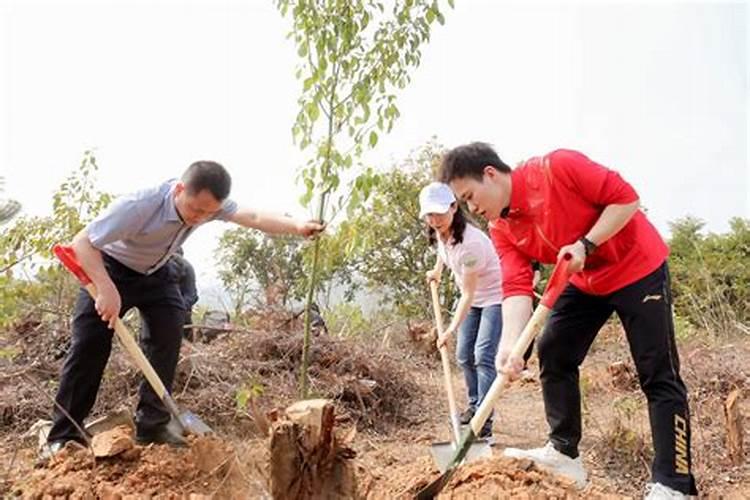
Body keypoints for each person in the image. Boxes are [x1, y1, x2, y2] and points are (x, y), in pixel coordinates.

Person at [439, 143, 697, 499]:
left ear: (490, 174)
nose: (472, 208)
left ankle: (674, 483)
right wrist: (510, 346)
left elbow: (626, 198)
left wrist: (586, 244)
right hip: (584, 280)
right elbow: (515, 288)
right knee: (554, 350)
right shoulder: (501, 228)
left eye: (469, 197)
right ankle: (564, 454)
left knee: (657, 372)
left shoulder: (556, 168)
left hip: (638, 267)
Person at [46, 161, 324, 453]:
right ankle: (63, 436)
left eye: (209, 213)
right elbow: (83, 242)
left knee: (168, 333)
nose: (199, 218)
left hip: (157, 272)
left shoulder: (209, 206)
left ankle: (152, 425)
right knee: (89, 347)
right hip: (108, 269)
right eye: (195, 209)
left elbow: (252, 216)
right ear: (180, 190)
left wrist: (296, 226)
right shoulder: (141, 204)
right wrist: (105, 288)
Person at [420, 182, 502, 443]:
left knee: (482, 357)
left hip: (494, 298)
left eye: (440, 213)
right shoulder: (440, 232)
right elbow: (443, 252)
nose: (434, 220)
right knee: (463, 356)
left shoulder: (471, 243)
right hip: (473, 298)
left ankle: (484, 421)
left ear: (454, 207)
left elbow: (467, 294)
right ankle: (475, 404)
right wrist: (437, 271)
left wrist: (450, 329)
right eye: (429, 214)